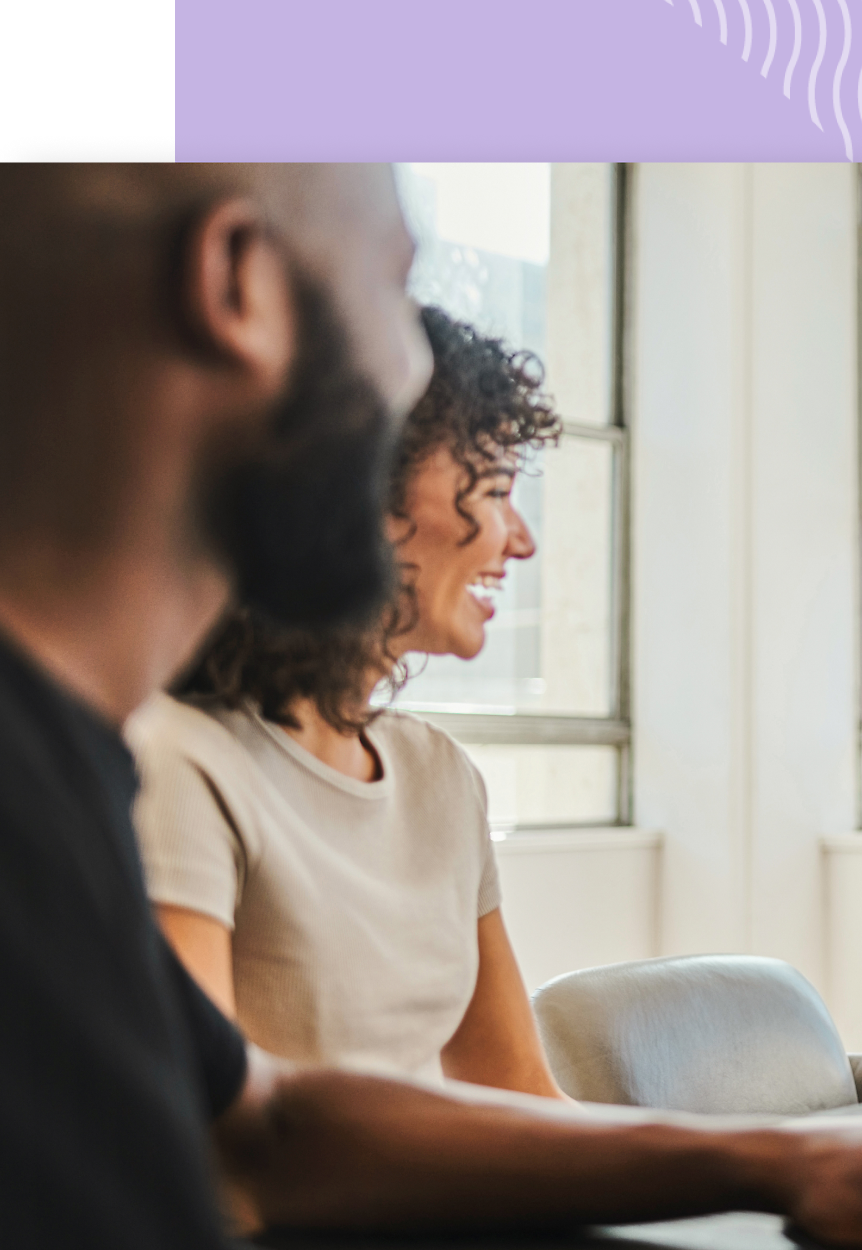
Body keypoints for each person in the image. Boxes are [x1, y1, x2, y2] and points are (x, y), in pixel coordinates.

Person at [0, 163, 862, 1250]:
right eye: (393, 291)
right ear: (240, 283)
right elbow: (252, 1150)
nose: (416, 378)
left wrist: (795, 1164)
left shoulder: (76, 765)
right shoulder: (132, 772)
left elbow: (271, 1123)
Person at [127, 305, 565, 1095]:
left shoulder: (441, 776)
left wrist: (741, 1175)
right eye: (496, 487)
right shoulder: (178, 761)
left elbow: (523, 1093)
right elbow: (223, 1136)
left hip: (444, 1220)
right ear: (371, 491)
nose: (521, 539)